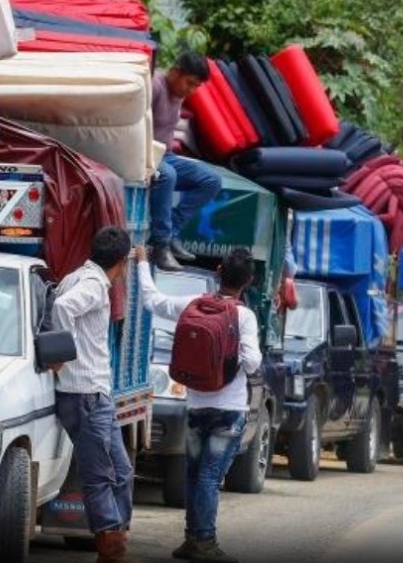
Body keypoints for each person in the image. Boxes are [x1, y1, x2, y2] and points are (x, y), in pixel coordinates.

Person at [135, 245, 262, 563]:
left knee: (194, 474)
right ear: (247, 282)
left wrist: (141, 262)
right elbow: (252, 363)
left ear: (218, 273)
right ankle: (204, 541)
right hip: (229, 410)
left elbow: (151, 300)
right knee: (209, 476)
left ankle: (192, 540)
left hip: (195, 406)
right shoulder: (244, 316)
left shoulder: (192, 304)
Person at [53, 226, 134, 563]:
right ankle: (111, 551)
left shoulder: (79, 276)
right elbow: (62, 307)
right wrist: (62, 354)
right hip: (85, 394)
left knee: (122, 471)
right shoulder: (92, 285)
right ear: (122, 262)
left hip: (94, 395)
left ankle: (117, 537)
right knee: (100, 477)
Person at [149, 52, 221, 271]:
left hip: (165, 155)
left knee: (212, 180)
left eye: (196, 86)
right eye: (189, 83)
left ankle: (172, 231)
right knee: (168, 174)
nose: (190, 90)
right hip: (145, 154)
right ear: (176, 71)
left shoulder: (178, 94)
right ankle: (161, 244)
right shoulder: (155, 86)